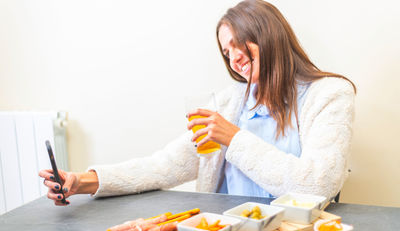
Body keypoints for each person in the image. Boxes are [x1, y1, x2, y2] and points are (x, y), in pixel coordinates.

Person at [39, 0, 356, 206]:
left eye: (237, 43)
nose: (233, 58)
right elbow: (163, 166)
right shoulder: (228, 105)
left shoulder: (329, 95)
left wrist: (233, 138)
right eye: (226, 52)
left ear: (269, 34)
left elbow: (318, 184)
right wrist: (83, 181)